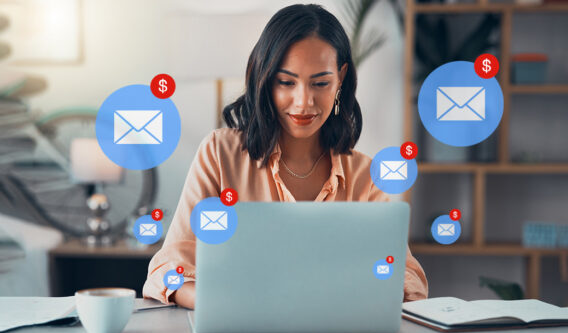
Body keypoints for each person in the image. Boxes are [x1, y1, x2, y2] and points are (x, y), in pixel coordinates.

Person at [143, 3, 427, 309]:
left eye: (320, 83)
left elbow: (408, 276)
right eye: (286, 82)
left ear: (341, 79)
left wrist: (366, 292)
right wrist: (218, 303)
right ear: (264, 79)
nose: (303, 102)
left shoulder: (365, 177)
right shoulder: (219, 154)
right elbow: (168, 269)